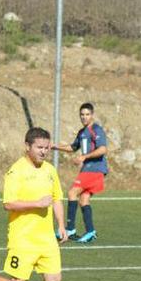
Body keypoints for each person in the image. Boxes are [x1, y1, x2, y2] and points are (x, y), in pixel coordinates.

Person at [2, 127, 68, 281]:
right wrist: (36, 203)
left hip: (46, 238)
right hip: (22, 238)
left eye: (47, 147)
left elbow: (57, 198)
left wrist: (61, 225)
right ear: (27, 147)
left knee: (54, 278)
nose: (44, 151)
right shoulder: (16, 171)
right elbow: (8, 203)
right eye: (39, 147)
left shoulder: (50, 170)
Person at [51, 103, 108, 243]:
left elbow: (103, 149)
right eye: (82, 114)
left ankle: (70, 229)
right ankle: (90, 232)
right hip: (88, 170)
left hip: (95, 169)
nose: (84, 117)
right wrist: (55, 146)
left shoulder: (96, 129)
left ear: (92, 115)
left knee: (71, 193)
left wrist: (84, 157)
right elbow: (73, 147)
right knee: (83, 200)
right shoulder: (82, 132)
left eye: (87, 114)